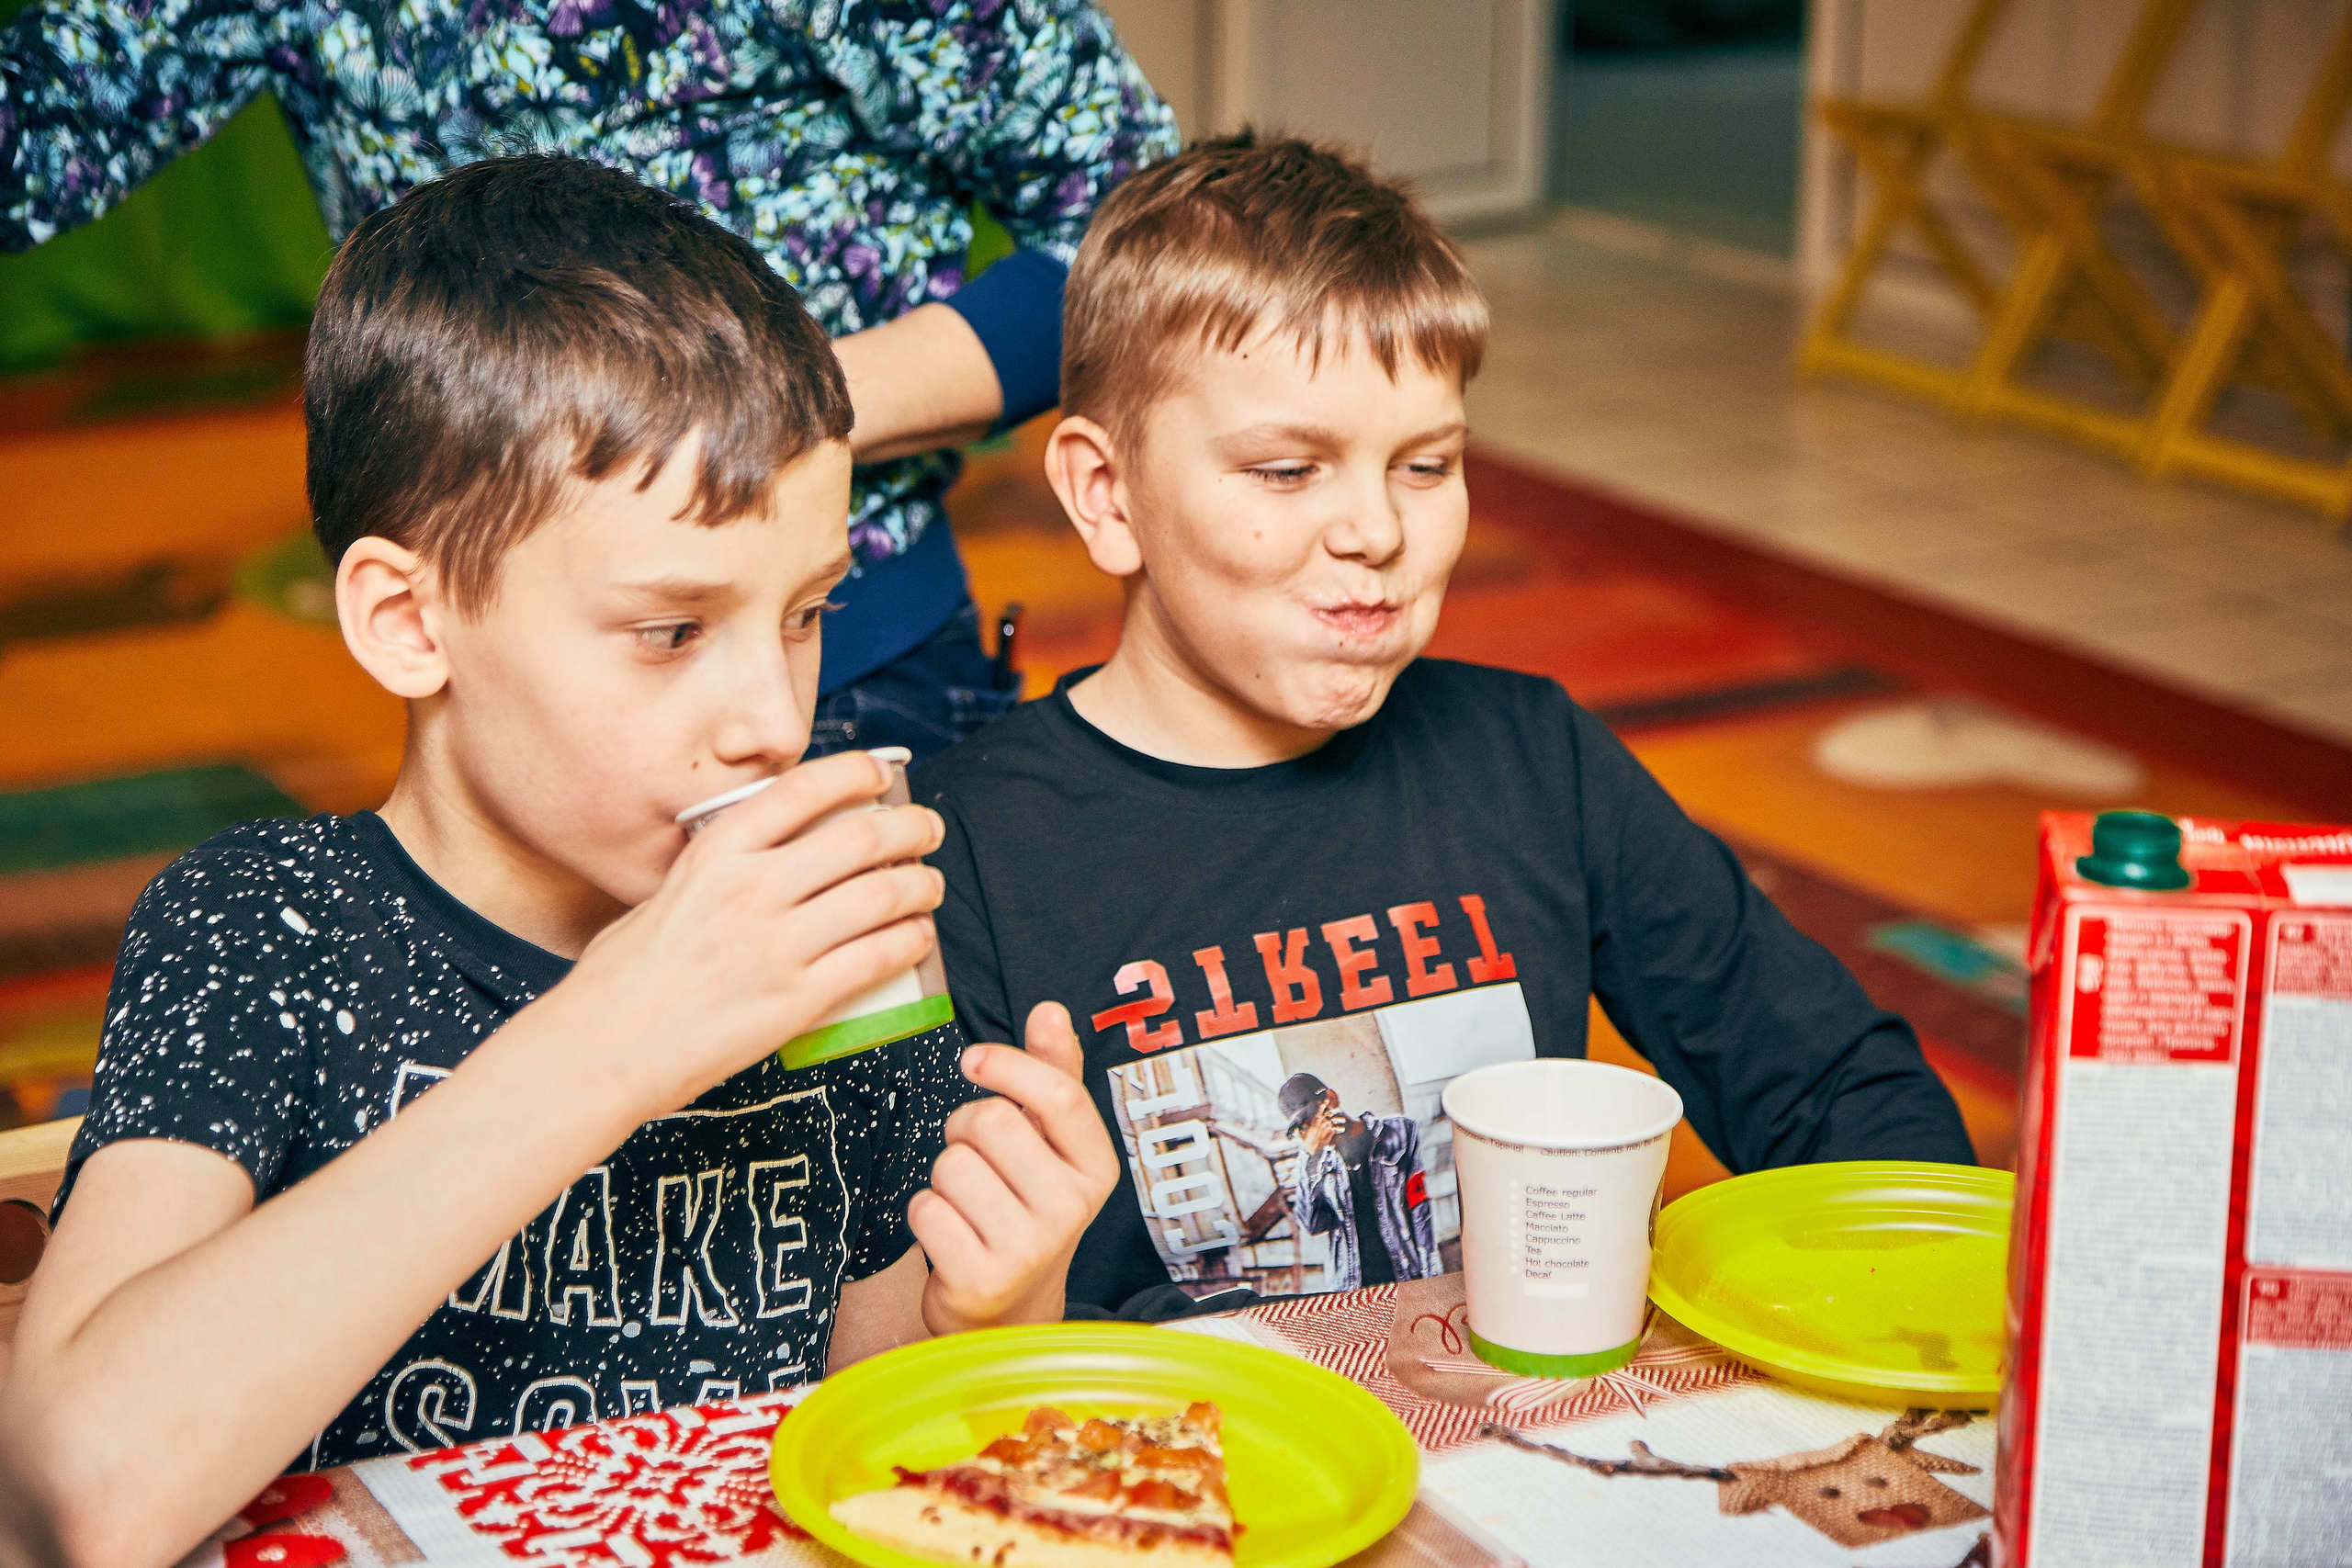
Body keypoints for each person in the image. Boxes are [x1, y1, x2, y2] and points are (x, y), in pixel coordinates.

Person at [0, 156, 1118, 1568]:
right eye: (668, 631)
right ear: (411, 621)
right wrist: (618, 1033)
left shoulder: (821, 932)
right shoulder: (264, 925)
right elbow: (73, 1497)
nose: (773, 724)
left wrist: (977, 1306)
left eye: (805, 612)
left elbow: (869, 1397)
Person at [913, 131, 1974, 1315]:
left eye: (1424, 465)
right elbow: (909, 1325)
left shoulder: (1536, 760)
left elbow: (1832, 1085)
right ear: (1107, 498)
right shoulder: (960, 852)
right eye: (1284, 471)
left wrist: (1917, 1321)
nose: (1375, 530)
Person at [0, 0, 1177, 758]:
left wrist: (744, 423)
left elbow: (1137, 230)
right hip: (497, 706)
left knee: (867, 1123)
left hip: (838, 665)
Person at [1276, 1073, 1437, 1291]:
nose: (1309, 1133)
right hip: (1352, 1290)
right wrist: (1311, 1159)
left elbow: (1423, 1211)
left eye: (1308, 1121)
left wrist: (1432, 1280)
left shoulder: (1401, 1133)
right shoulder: (1317, 1164)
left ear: (1330, 1099)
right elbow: (1313, 1225)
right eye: (1301, 1129)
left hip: (1407, 1279)